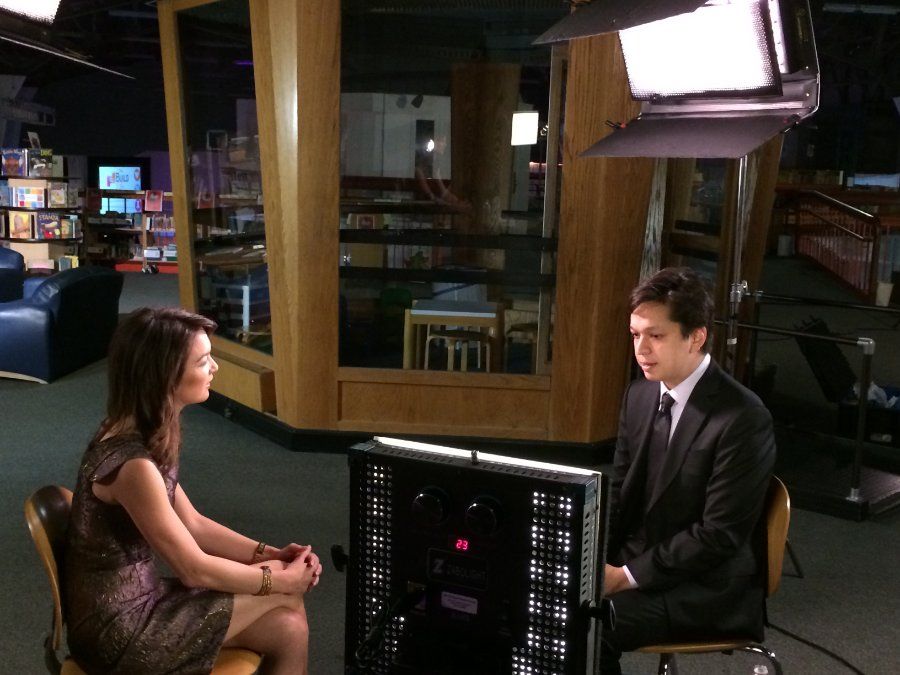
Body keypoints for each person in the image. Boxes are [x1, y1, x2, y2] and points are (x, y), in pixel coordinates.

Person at [65, 307, 323, 674]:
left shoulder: (141, 430)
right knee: (287, 593)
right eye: (203, 361)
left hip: (140, 602)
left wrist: (270, 553)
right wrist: (281, 578)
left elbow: (195, 525)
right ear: (164, 376)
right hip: (120, 633)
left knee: (288, 628)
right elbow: (193, 570)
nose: (214, 367)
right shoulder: (133, 466)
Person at [600, 267, 776, 674]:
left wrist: (624, 576)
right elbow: (620, 493)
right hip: (638, 560)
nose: (641, 349)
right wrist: (585, 557)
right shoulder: (639, 394)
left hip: (703, 587)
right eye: (635, 335)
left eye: (656, 336)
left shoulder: (743, 417)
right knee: (529, 603)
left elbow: (719, 535)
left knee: (585, 627)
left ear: (696, 337)